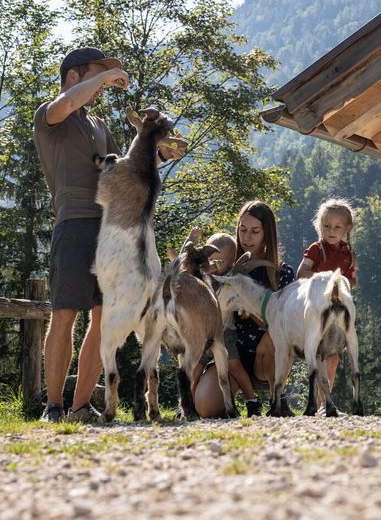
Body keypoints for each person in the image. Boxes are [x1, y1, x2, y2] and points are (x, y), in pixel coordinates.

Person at [33, 47, 184, 423]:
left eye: (105, 77)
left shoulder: (100, 126)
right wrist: (103, 77)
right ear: (72, 76)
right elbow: (66, 104)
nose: (103, 85)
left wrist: (162, 156)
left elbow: (128, 171)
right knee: (65, 314)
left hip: (111, 232)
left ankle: (81, 406)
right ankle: (53, 407)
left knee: (103, 318)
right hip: (73, 224)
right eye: (95, 75)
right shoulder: (51, 116)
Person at [192, 201, 295, 418]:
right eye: (242, 230)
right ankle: (237, 404)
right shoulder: (227, 269)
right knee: (206, 407)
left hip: (266, 357)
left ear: (267, 234)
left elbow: (288, 323)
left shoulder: (282, 272)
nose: (247, 237)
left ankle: (279, 399)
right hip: (230, 356)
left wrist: (257, 314)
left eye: (255, 231)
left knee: (277, 334)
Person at [296, 198, 357, 409]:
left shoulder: (349, 253)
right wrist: (326, 279)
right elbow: (301, 274)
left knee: (333, 358)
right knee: (319, 355)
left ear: (347, 229)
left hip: (338, 314)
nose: (331, 231)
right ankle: (318, 401)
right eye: (326, 226)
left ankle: (325, 402)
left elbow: (352, 281)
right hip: (316, 312)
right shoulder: (315, 250)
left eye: (337, 227)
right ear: (318, 226)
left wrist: (346, 284)